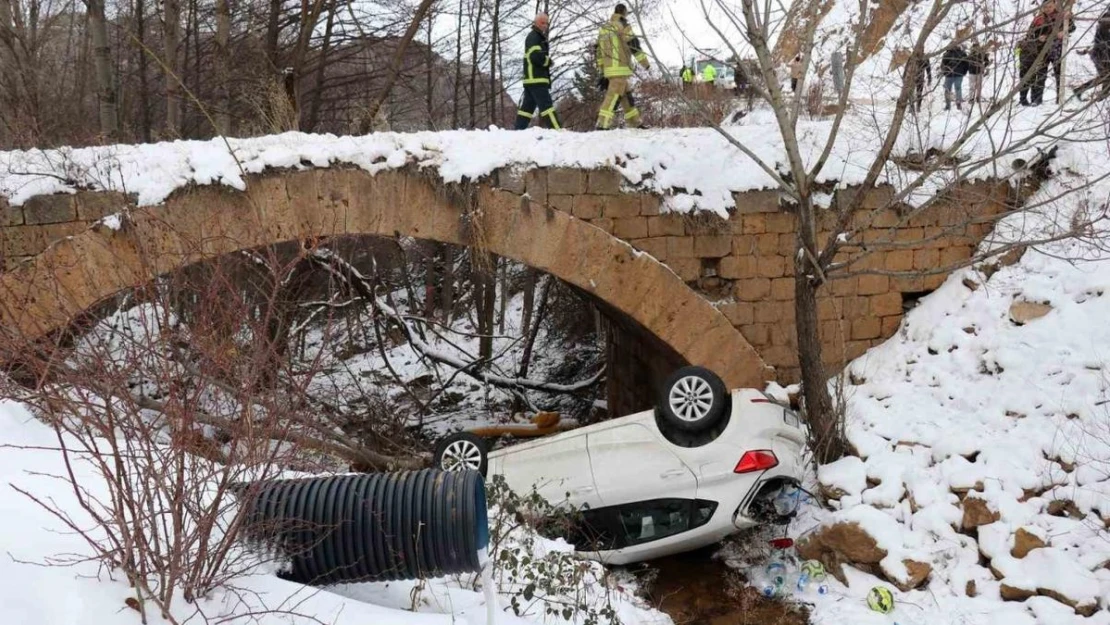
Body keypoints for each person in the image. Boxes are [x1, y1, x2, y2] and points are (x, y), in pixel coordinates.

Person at [595, 3, 650, 130]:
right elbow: (634, 45)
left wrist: (602, 70)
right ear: (624, 12)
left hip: (609, 70)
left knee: (627, 97)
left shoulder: (604, 28)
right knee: (613, 97)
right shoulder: (623, 25)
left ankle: (635, 122)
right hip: (620, 69)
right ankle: (602, 124)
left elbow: (598, 51)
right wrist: (645, 64)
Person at [1019, 1, 1074, 106]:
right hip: (1041, 51)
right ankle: (1037, 99)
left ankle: (1059, 99)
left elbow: (1072, 27)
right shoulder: (1038, 19)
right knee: (1040, 76)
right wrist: (1038, 38)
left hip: (1058, 51)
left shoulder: (1062, 16)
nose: (1048, 9)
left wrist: (1064, 32)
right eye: (1046, 7)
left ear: (1054, 6)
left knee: (1059, 75)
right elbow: (1029, 35)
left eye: (1050, 6)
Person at [514, 14, 561, 129]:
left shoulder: (535, 36)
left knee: (526, 109)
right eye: (542, 23)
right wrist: (548, 61)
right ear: (536, 23)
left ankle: (517, 132)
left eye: (546, 23)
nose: (545, 25)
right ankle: (558, 130)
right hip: (537, 79)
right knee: (547, 106)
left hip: (531, 79)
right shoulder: (535, 37)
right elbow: (535, 56)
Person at [1075, 7, 1110, 100]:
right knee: (1106, 77)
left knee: (1105, 76)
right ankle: (1102, 97)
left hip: (1103, 54)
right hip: (1101, 55)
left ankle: (1080, 90)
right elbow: (1104, 41)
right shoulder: (1106, 21)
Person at [940, 42, 969, 110]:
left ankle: (948, 105)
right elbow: (967, 64)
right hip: (957, 74)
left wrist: (945, 72)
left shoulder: (947, 54)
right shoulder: (962, 54)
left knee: (948, 89)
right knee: (957, 88)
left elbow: (943, 65)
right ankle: (957, 103)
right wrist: (964, 72)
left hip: (950, 74)